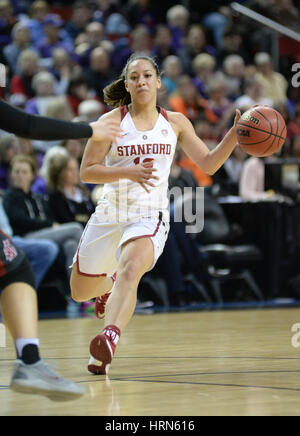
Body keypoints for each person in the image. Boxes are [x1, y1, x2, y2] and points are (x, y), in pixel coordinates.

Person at [69, 53, 241, 375]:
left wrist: (233, 135)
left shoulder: (175, 122)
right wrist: (128, 172)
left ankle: (108, 339)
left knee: (132, 268)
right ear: (127, 84)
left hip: (149, 214)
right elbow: (87, 172)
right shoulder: (110, 122)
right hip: (110, 212)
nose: (141, 81)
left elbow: (209, 164)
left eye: (147, 76)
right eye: (134, 77)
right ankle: (109, 286)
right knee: (79, 291)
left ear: (159, 82)